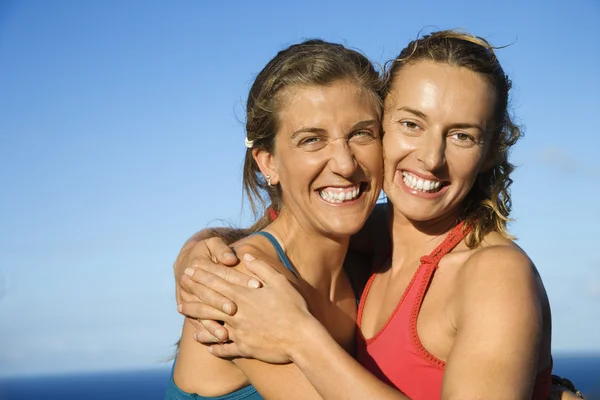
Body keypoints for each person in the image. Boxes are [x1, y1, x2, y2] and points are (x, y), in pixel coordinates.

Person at [174, 31, 585, 399]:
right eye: (411, 124)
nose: (430, 157)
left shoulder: (490, 273)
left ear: (490, 150)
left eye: (462, 135)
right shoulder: (253, 284)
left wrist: (299, 336)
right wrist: (198, 250)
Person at [166, 39, 386, 399]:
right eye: (312, 140)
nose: (345, 164)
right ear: (268, 162)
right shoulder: (244, 286)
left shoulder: (367, 263)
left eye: (361, 133)